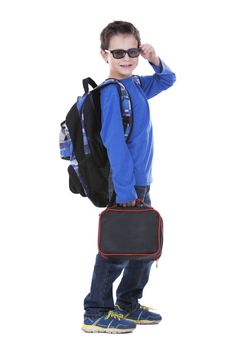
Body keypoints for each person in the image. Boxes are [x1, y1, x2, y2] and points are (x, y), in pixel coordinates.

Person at [82, 20, 176, 334]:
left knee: (144, 246)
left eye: (132, 51)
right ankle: (95, 310)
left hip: (141, 180)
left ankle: (128, 303)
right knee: (118, 249)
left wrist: (153, 58)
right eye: (118, 52)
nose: (126, 58)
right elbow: (114, 142)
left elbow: (167, 79)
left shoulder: (134, 84)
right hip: (126, 184)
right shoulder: (112, 92)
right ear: (104, 54)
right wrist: (124, 190)